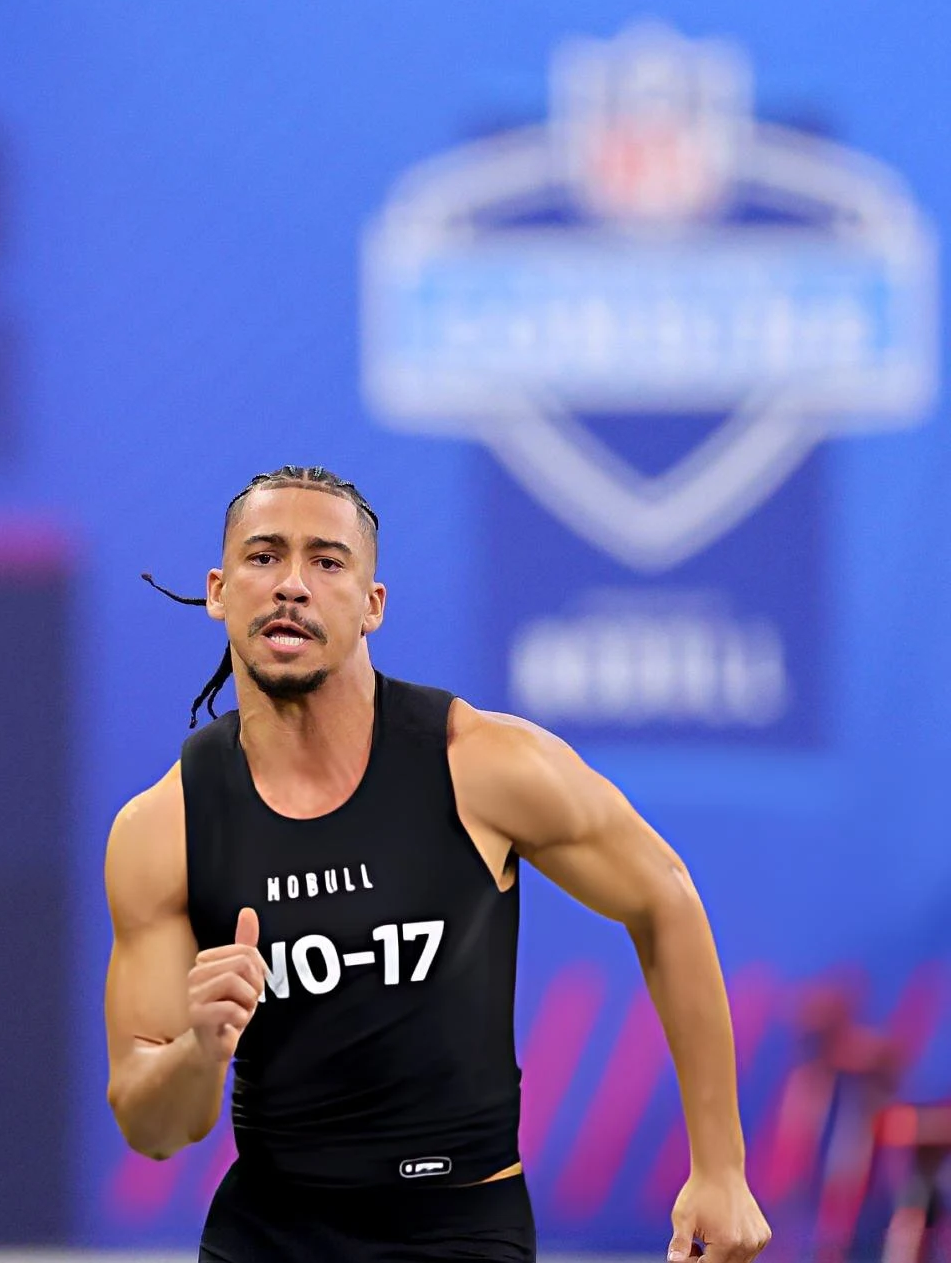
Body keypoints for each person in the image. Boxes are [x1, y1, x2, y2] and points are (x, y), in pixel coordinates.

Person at [103, 466, 771, 1262]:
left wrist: (721, 1167)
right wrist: (200, 1052)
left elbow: (663, 897)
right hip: (270, 1227)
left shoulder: (480, 763)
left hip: (459, 1221)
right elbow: (154, 1127)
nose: (291, 584)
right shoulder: (164, 826)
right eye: (263, 556)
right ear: (218, 591)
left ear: (372, 604)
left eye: (326, 560)